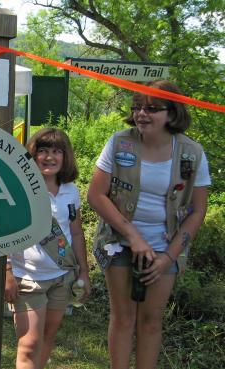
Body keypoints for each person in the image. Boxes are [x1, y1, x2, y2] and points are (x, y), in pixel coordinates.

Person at [87, 80, 211, 369]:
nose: (142, 113)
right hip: (117, 240)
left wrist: (169, 255)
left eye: (152, 108)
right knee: (124, 317)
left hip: (166, 246)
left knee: (152, 321)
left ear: (172, 112)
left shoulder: (192, 153)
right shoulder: (120, 142)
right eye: (138, 107)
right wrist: (133, 235)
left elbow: (198, 210)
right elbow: (96, 195)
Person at [5, 127, 91, 369]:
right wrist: (7, 271)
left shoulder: (71, 191)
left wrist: (83, 271)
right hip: (28, 277)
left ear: (65, 157)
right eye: (42, 151)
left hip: (62, 279)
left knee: (47, 339)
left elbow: (76, 232)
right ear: (32, 155)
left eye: (56, 151)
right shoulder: (20, 189)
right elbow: (3, 232)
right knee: (29, 343)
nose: (49, 157)